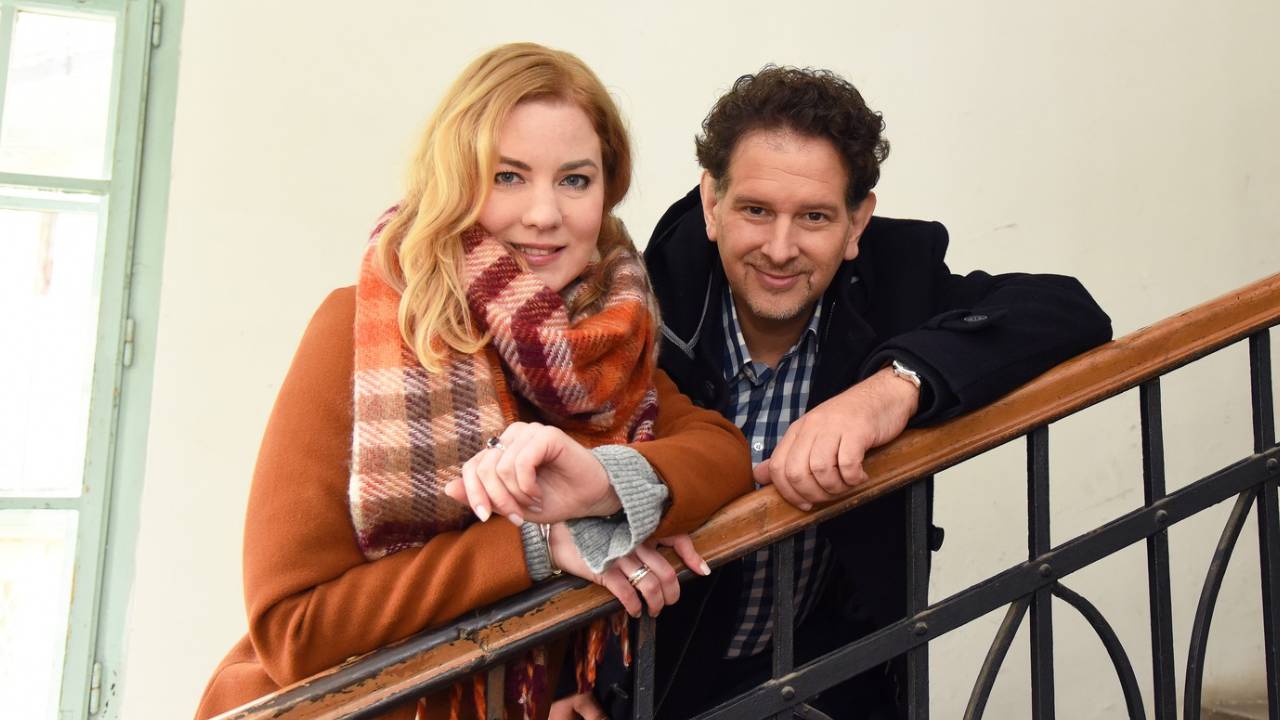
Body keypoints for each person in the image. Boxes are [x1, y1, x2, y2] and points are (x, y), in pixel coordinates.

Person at [194, 43, 753, 720]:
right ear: (456, 181)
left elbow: (722, 454)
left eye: (574, 180)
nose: (544, 213)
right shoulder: (361, 325)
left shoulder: (606, 339)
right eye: (508, 176)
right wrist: (542, 542)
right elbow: (295, 630)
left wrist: (600, 484)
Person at [642, 66, 1113, 718]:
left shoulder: (896, 277)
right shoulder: (637, 301)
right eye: (756, 210)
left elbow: (1067, 310)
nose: (780, 248)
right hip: (661, 686)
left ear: (857, 222)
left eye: (814, 216)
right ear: (711, 205)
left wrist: (892, 387)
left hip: (836, 680)